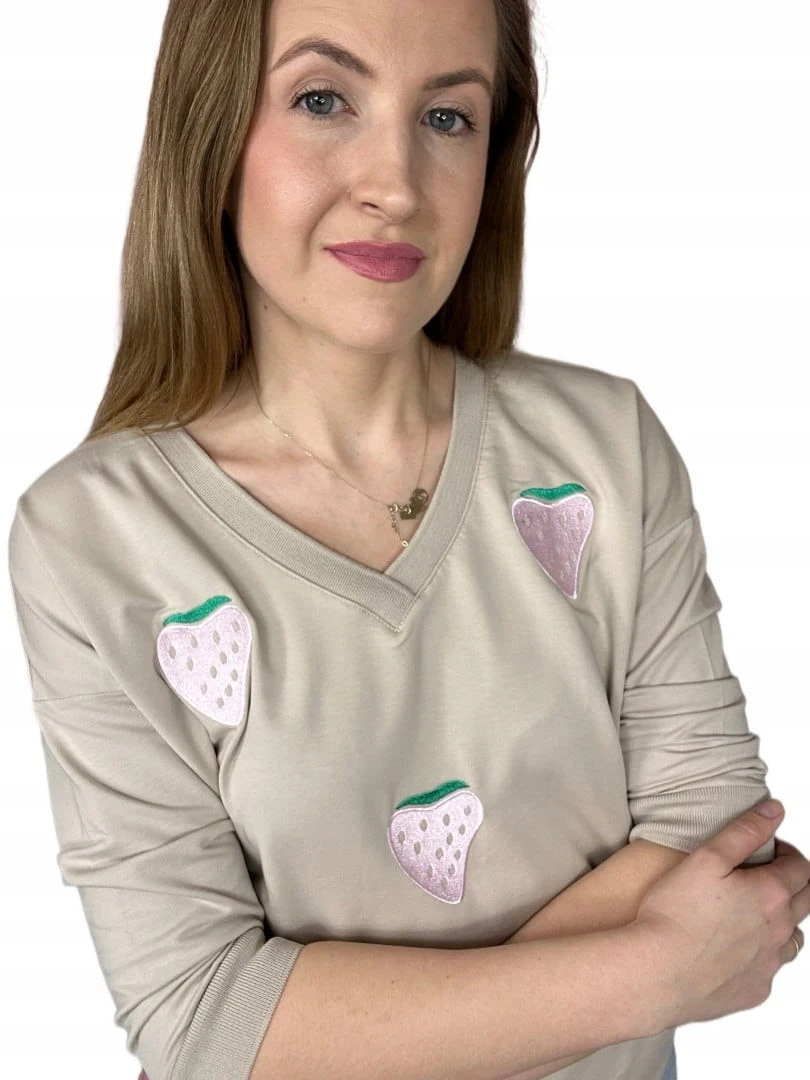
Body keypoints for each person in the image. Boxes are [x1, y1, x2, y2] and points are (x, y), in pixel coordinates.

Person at [6, 2, 807, 1079]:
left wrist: (333, 1029)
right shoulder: (91, 539)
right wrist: (656, 973)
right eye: (323, 99)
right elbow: (198, 1018)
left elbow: (716, 823)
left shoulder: (605, 447)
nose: (396, 183)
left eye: (447, 117)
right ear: (211, 131)